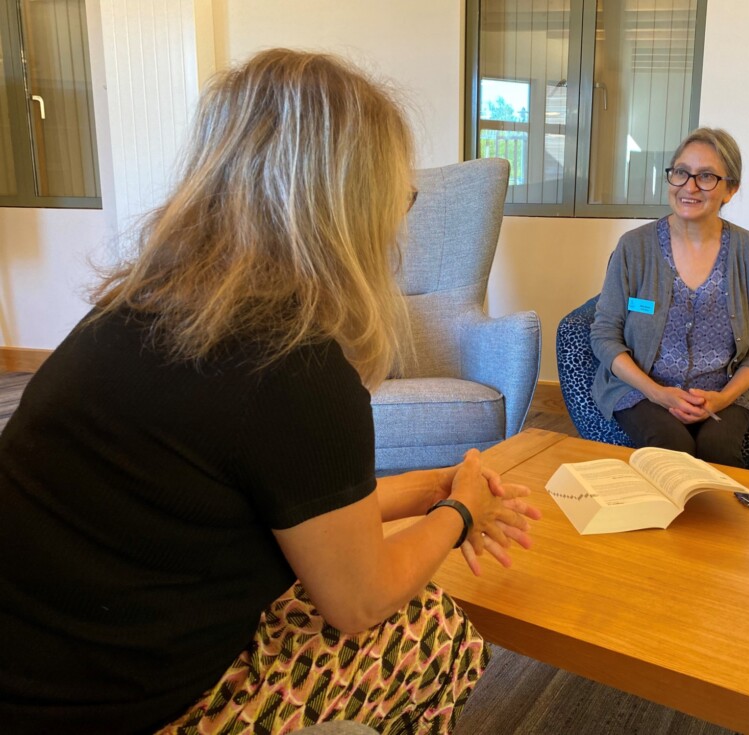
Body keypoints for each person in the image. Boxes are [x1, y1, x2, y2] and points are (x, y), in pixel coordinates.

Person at [0, 49, 540, 735]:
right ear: (347, 207)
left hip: (41, 658)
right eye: (397, 198)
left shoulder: (138, 309)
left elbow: (267, 506)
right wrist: (459, 514)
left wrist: (426, 489)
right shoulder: (293, 368)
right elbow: (360, 598)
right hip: (119, 706)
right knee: (432, 638)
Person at [590, 127, 749, 467]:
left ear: (730, 190)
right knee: (671, 446)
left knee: (718, 449)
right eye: (680, 173)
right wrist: (656, 392)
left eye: (706, 176)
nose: (689, 187)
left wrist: (722, 399)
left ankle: (715, 522)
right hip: (642, 389)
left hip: (723, 393)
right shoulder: (635, 246)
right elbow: (604, 334)